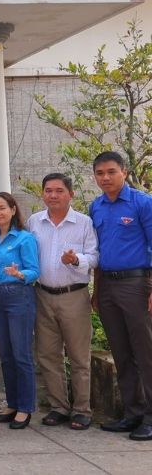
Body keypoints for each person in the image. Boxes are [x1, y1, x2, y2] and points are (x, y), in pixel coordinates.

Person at [27, 173, 98, 430]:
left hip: (74, 296)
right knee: (48, 355)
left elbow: (94, 256)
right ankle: (58, 407)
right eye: (48, 191)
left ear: (71, 193)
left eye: (59, 190)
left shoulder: (83, 223)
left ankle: (81, 409)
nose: (53, 195)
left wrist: (76, 259)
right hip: (42, 295)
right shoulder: (34, 222)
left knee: (79, 356)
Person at [89, 151, 152, 441]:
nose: (105, 178)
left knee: (146, 352)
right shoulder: (97, 207)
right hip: (109, 287)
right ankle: (133, 413)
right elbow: (98, 252)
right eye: (100, 173)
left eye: (111, 172)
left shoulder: (143, 203)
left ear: (124, 172)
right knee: (122, 353)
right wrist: (97, 290)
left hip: (137, 285)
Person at [0, 192, 40, 430]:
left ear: (13, 209)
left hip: (19, 296)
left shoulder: (24, 238)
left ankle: (25, 407)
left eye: (2, 208)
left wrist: (20, 274)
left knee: (21, 354)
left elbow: (34, 270)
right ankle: (12, 402)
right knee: (5, 356)